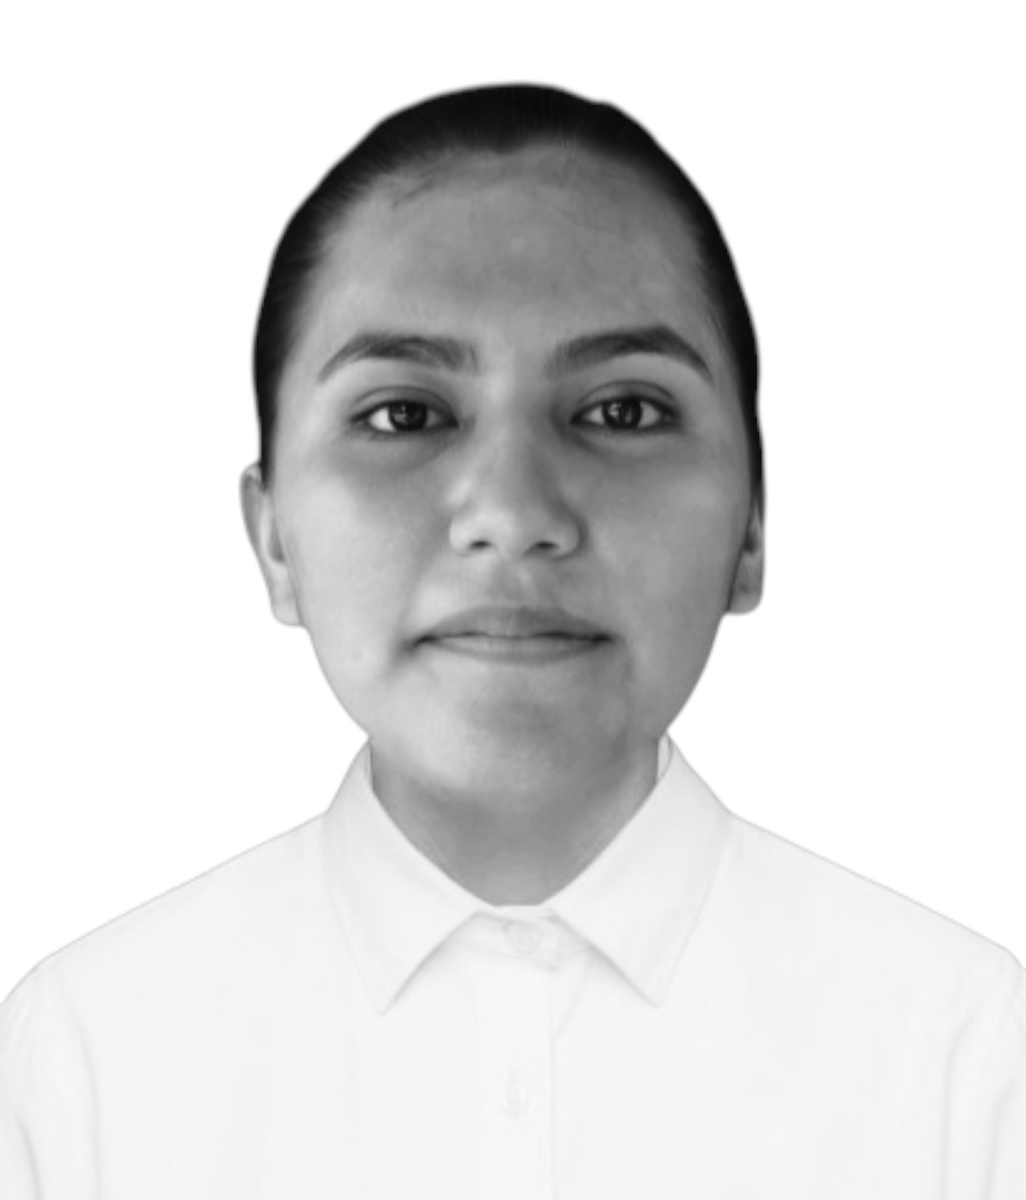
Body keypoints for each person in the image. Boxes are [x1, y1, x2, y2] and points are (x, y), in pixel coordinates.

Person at [1, 82, 1022, 1198]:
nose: (513, 512)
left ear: (752, 529)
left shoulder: (966, 1061)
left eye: (623, 411)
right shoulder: (80, 1063)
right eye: (404, 414)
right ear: (275, 536)